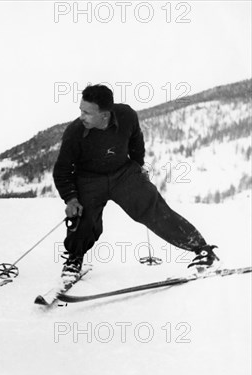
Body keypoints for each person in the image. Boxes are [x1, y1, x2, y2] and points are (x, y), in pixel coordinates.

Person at [53, 84, 218, 278]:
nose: (82, 116)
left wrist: (138, 167)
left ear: (105, 115)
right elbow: (62, 170)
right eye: (81, 110)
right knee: (83, 220)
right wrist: (71, 199)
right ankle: (74, 258)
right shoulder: (74, 133)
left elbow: (136, 141)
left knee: (154, 209)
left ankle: (202, 250)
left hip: (123, 174)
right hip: (89, 179)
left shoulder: (126, 116)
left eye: (88, 113)